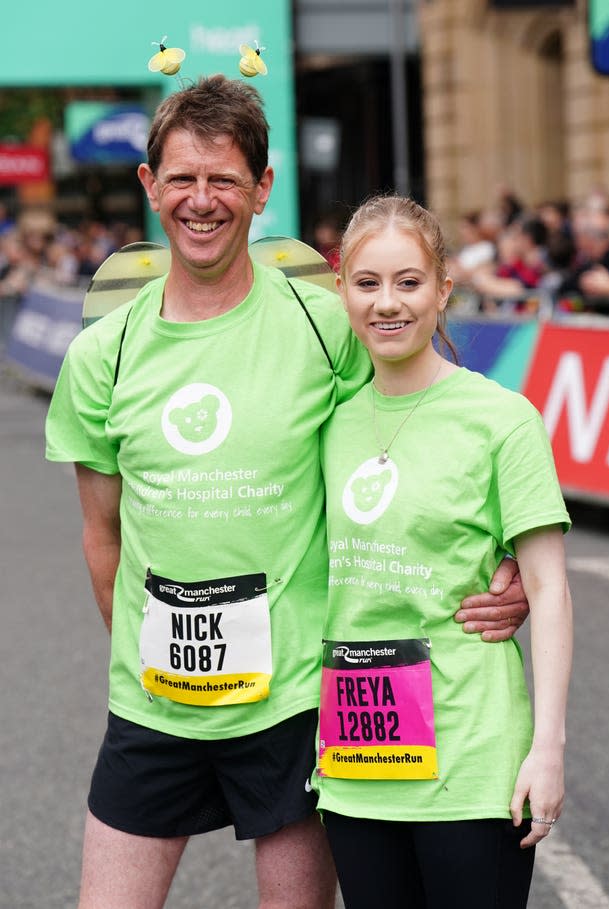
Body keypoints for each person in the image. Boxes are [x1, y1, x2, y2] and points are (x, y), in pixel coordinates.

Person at [45, 77, 530, 909]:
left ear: (263, 188)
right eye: (184, 179)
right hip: (155, 705)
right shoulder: (103, 356)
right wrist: (151, 658)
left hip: (300, 701)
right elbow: (102, 535)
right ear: (150, 185)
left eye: (225, 179)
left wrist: (509, 550)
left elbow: (425, 420)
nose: (203, 201)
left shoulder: (326, 323)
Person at [315, 196, 573, 908]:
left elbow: (549, 589)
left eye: (409, 281)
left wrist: (546, 747)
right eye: (367, 283)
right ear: (342, 291)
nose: (387, 303)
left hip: (472, 759)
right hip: (355, 764)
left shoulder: (501, 418)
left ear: (443, 290)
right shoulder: (323, 422)